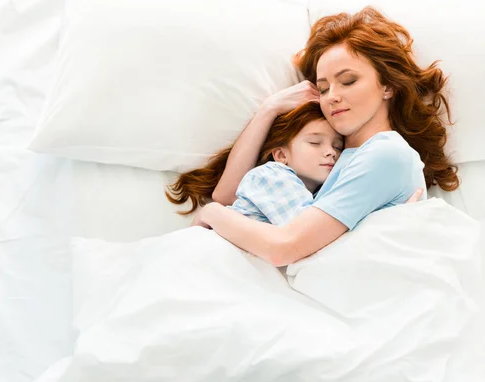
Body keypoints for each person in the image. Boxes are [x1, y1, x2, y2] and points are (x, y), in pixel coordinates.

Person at [190, 7, 459, 267]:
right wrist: (268, 110)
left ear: (387, 86)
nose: (332, 97)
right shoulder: (338, 160)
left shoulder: (385, 155)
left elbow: (285, 248)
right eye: (323, 88)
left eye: (348, 81)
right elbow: (229, 195)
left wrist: (211, 213)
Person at [167, 102, 344, 226]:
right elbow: (307, 229)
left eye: (338, 146)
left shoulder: (312, 192)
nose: (331, 152)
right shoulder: (273, 175)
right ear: (282, 155)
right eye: (315, 142)